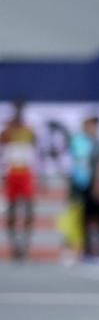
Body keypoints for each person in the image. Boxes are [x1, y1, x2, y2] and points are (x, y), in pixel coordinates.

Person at [1, 101, 39, 261]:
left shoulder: (29, 131)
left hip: (26, 173)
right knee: (12, 210)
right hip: (12, 173)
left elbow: (36, 150)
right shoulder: (7, 131)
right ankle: (14, 246)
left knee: (29, 209)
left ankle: (25, 245)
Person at [68, 115, 99, 259]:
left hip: (94, 184)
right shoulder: (78, 141)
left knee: (98, 217)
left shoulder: (98, 143)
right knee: (83, 218)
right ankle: (85, 249)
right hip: (81, 185)